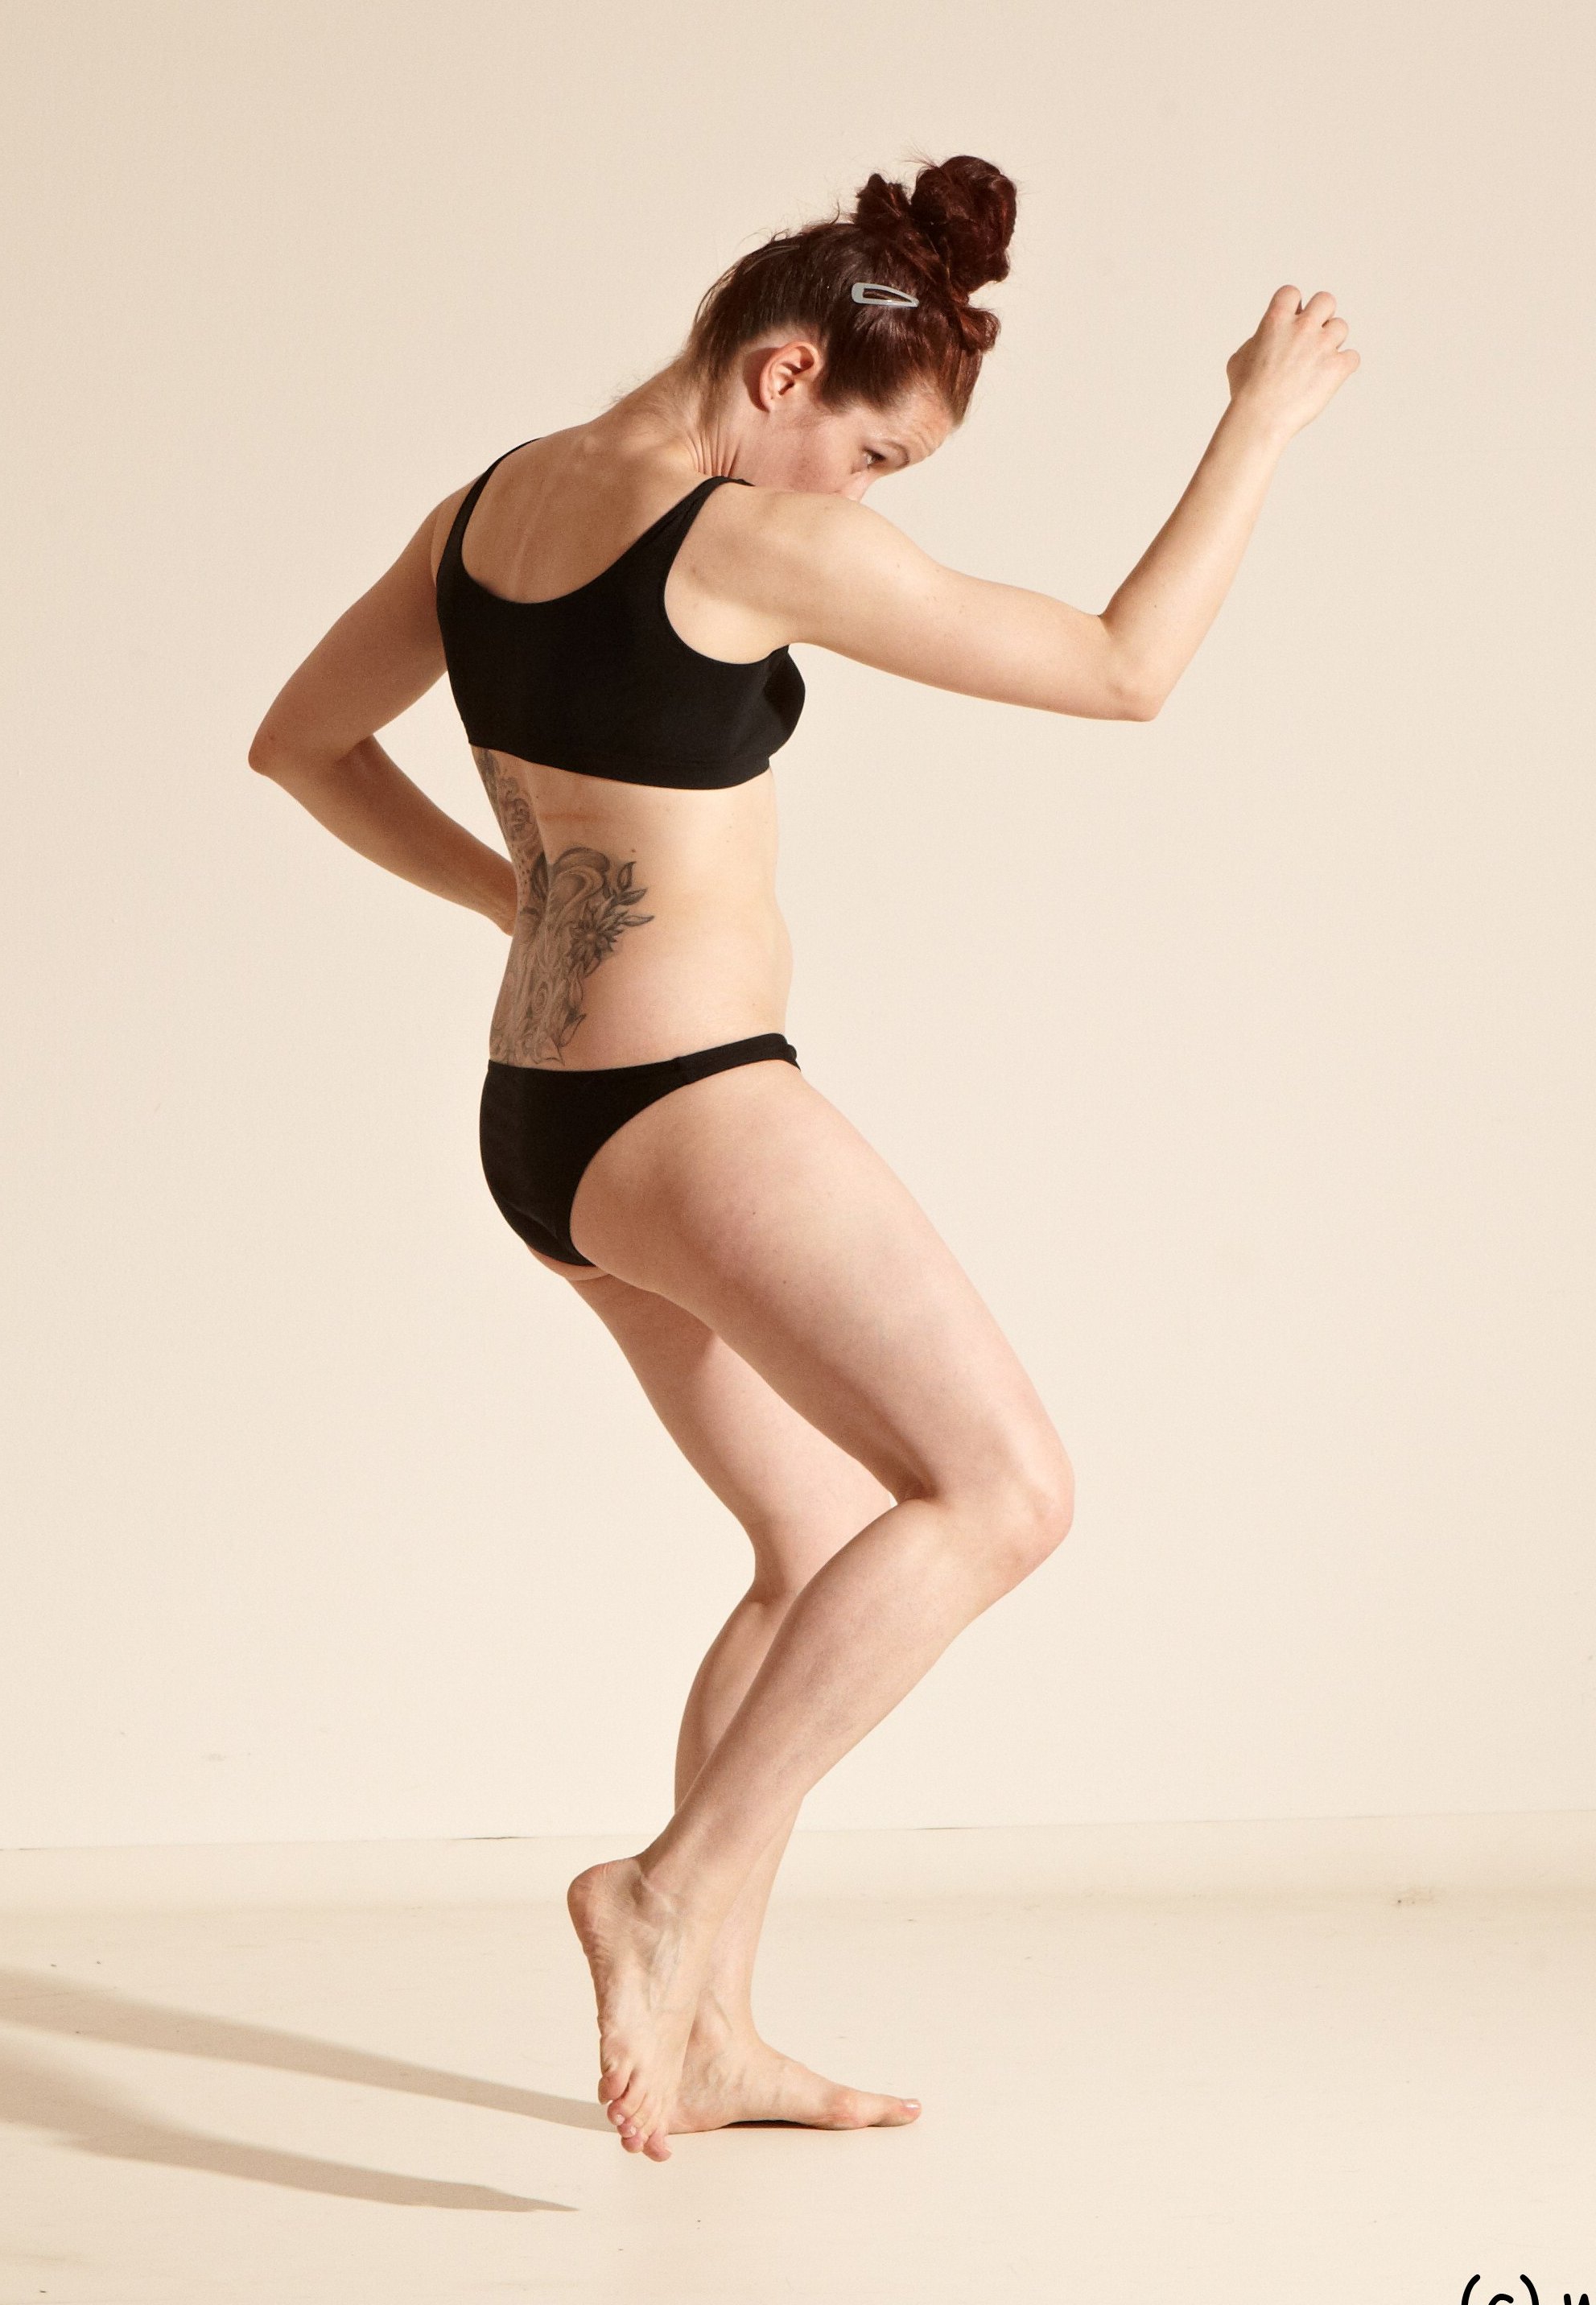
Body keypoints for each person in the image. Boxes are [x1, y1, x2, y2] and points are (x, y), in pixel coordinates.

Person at [249, 152, 1359, 2162]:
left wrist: (515, 897)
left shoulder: (488, 506)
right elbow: (1125, 667)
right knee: (1002, 1490)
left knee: (815, 1538)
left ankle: (711, 2032)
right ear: (781, 376)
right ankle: (662, 1895)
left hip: (543, 1121)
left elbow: (300, 742)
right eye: (874, 449)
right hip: (688, 1104)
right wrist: (1258, 423)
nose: (864, 492)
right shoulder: (746, 535)